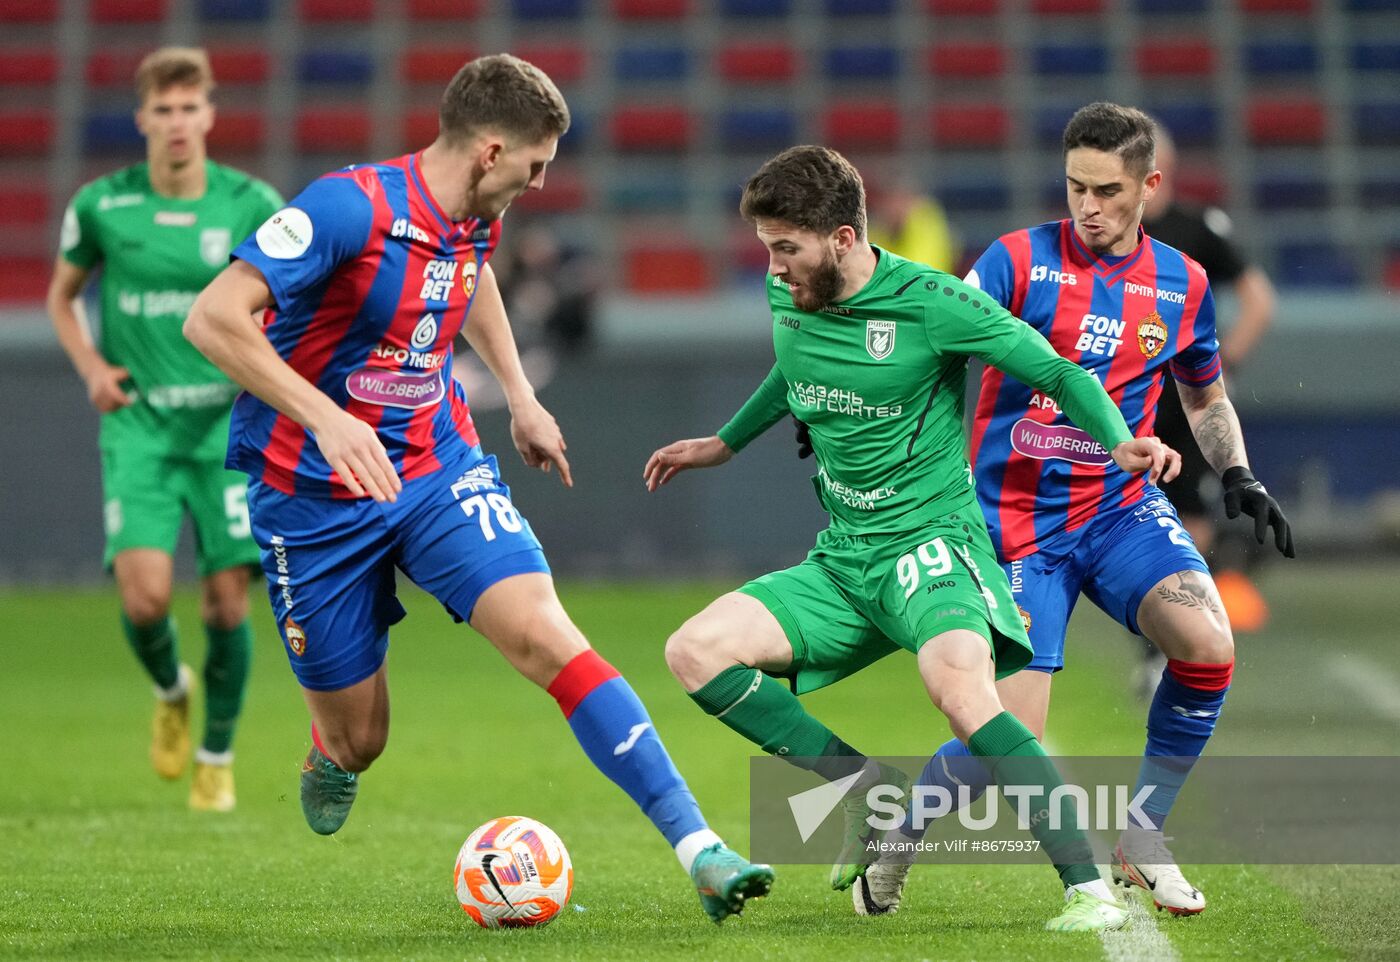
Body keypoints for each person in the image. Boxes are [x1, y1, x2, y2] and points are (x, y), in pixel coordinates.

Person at [182, 53, 772, 924]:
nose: (540, 183)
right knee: (360, 738)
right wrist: (325, 418)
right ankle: (332, 753)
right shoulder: (347, 209)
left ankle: (701, 848)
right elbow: (212, 318)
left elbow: (473, 275)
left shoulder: (474, 215)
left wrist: (521, 396)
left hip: (435, 466)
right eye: (536, 164)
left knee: (548, 638)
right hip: (310, 496)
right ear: (491, 151)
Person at [645, 144, 1179, 932]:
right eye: (767, 248)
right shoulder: (789, 287)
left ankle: (1087, 886)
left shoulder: (933, 304)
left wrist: (1117, 438)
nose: (774, 267)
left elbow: (1058, 372)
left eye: (787, 248)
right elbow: (795, 367)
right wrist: (725, 443)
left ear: (843, 238)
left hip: (932, 546)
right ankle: (865, 792)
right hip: (844, 558)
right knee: (695, 651)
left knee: (962, 693)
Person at [859, 103, 1295, 919]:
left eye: (1107, 190)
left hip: (1120, 510)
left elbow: (1204, 394)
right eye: (1075, 188)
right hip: (1016, 524)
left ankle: (1145, 836)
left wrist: (1238, 470)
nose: (1088, 206)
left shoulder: (1183, 282)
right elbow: (929, 338)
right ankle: (899, 830)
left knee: (1207, 643)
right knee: (1006, 737)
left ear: (1150, 185)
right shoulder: (1015, 262)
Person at [46, 47, 283, 812]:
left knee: (227, 606)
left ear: (209, 115)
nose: (178, 122)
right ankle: (171, 688)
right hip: (140, 429)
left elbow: (287, 299)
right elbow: (61, 297)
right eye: (164, 110)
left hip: (224, 433)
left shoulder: (250, 203)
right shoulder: (101, 206)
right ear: (143, 118)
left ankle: (216, 755)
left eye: (189, 108)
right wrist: (91, 367)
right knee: (145, 600)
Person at [1138, 120, 1279, 677]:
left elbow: (1258, 297)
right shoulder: (1113, 235)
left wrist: (1227, 363)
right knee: (1132, 514)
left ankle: (1168, 649)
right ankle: (1156, 641)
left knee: (1190, 516)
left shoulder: (1197, 228)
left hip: (1184, 399)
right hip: (1132, 395)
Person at [867, 176, 959, 274]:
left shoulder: (925, 221)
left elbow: (917, 269)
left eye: (891, 201)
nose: (887, 210)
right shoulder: (883, 229)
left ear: (905, 198)